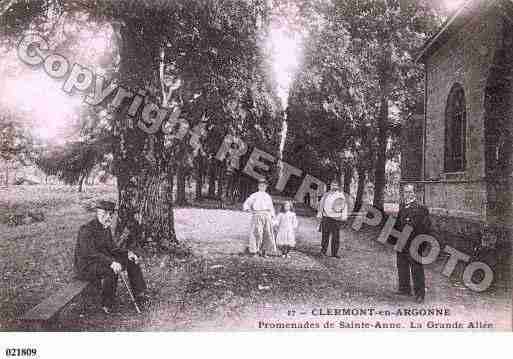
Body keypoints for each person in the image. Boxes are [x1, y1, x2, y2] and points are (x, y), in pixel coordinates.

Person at [73, 200, 148, 314]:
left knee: (131, 261)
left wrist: (127, 253)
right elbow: (90, 253)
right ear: (98, 213)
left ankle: (140, 293)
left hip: (100, 261)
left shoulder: (106, 228)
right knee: (111, 270)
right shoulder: (86, 230)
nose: (108, 217)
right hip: (86, 266)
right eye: (105, 214)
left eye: (110, 214)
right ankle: (107, 304)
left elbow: (112, 248)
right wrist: (111, 262)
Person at [395, 184, 431, 303]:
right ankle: (404, 288)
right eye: (406, 192)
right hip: (402, 240)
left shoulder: (421, 208)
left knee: (416, 268)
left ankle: (420, 294)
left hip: (415, 242)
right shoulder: (403, 207)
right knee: (402, 264)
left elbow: (426, 227)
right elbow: (398, 224)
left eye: (410, 192)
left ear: (415, 193)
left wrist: (421, 244)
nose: (408, 194)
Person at [243, 178, 277, 257]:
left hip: (266, 215)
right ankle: (254, 251)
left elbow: (271, 207)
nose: (262, 187)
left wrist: (273, 216)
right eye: (261, 185)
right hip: (257, 215)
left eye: (264, 186)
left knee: (267, 233)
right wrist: (248, 209)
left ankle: (264, 251)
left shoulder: (268, 196)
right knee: (257, 233)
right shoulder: (255, 195)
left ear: (266, 187)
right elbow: (247, 203)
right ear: (258, 186)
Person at [317, 180, 348, 258]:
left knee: (336, 236)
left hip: (336, 218)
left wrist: (344, 216)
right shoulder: (326, 194)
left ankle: (334, 253)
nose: (334, 187)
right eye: (332, 185)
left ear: (338, 187)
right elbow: (321, 204)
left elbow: (344, 206)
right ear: (330, 186)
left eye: (335, 185)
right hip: (326, 217)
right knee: (325, 235)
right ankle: (323, 251)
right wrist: (320, 213)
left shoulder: (341, 195)